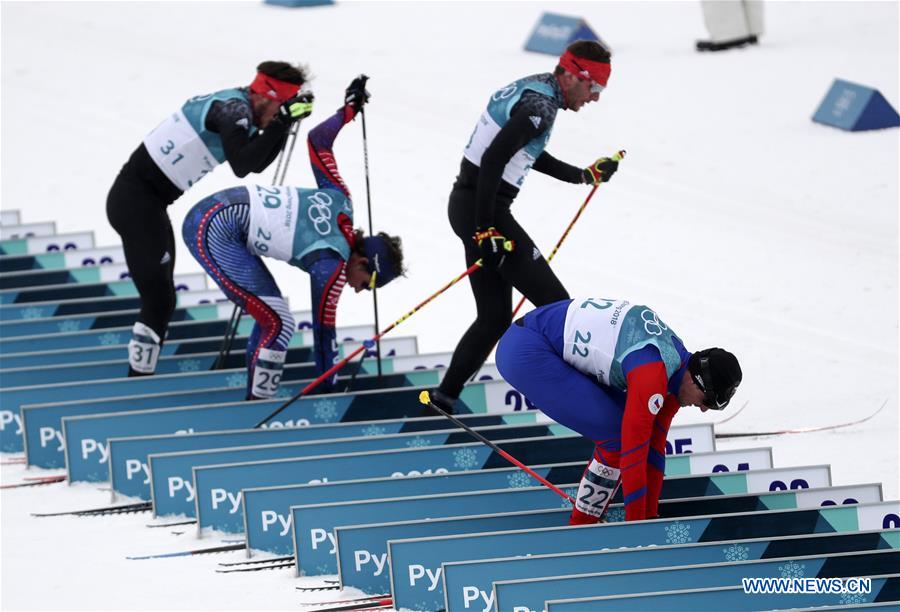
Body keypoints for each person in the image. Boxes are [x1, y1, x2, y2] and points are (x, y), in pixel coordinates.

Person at [429, 40, 622, 414]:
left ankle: (443, 399)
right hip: (482, 212)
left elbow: (525, 150)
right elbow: (494, 159)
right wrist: (486, 229)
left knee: (494, 317)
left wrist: (583, 175)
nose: (595, 98)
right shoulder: (541, 106)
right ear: (573, 75)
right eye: (594, 87)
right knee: (561, 311)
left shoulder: (536, 90)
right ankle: (594, 413)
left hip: (471, 207)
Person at [181, 77, 404, 400]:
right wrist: (328, 390)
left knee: (272, 313)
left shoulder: (341, 200)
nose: (359, 289)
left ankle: (254, 397)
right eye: (368, 283)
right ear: (364, 261)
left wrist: (349, 110)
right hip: (216, 226)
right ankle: (258, 404)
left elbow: (317, 141)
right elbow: (324, 331)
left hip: (215, 216)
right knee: (279, 322)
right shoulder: (331, 264)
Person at [107, 61, 314, 376]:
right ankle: (136, 378)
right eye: (280, 107)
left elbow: (257, 161)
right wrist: (279, 123)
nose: (276, 115)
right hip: (135, 203)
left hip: (147, 204)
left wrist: (282, 124)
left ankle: (139, 373)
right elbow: (243, 164)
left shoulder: (241, 107)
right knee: (159, 299)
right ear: (268, 97)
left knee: (162, 298)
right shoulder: (233, 110)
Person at [495, 297, 742, 523]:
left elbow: (654, 446)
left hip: (541, 339)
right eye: (708, 401)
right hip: (525, 349)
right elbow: (633, 454)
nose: (703, 410)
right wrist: (637, 529)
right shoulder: (653, 374)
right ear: (696, 380)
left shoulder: (676, 369)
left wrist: (651, 514)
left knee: (626, 430)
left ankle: (589, 521)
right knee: (616, 437)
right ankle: (581, 526)